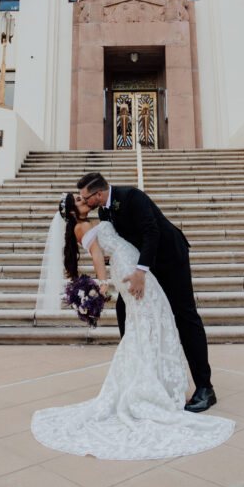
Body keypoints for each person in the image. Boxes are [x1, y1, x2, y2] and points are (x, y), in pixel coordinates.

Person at [30, 194, 234, 460]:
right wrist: (103, 286)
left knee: (152, 319)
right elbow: (97, 257)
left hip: (140, 262)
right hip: (129, 268)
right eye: (78, 201)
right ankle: (145, 381)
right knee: (148, 319)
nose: (84, 202)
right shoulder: (83, 226)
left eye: (84, 197)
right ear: (71, 213)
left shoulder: (107, 210)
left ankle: (159, 378)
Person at [77, 170, 216, 412]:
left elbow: (153, 231)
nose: (84, 203)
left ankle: (205, 387)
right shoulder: (103, 210)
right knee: (125, 312)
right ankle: (138, 376)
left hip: (170, 259)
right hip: (142, 267)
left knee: (185, 316)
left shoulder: (132, 196)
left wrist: (140, 271)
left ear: (98, 194)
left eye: (85, 198)